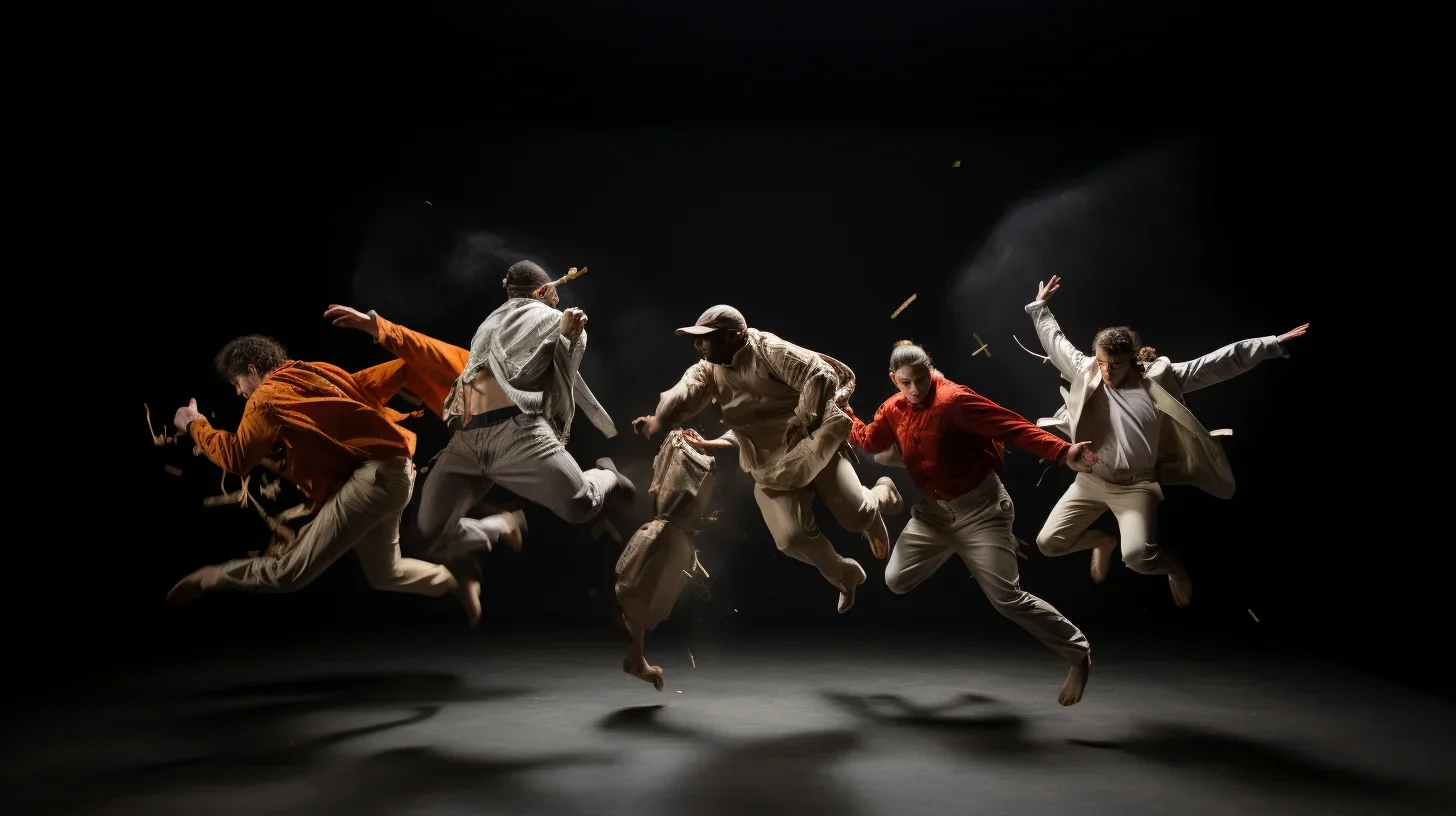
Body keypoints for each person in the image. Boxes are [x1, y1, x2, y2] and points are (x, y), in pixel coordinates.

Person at [1025, 274, 1310, 607]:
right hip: (1092, 480)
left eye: (1115, 365)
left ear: (1132, 359)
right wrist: (1040, 307)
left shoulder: (1159, 379)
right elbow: (1055, 342)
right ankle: (1101, 541)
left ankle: (1173, 565)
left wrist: (1272, 344)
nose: (1106, 371)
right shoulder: (1087, 370)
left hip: (1137, 487)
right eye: (1102, 362)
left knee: (1136, 557)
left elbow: (1217, 363)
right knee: (1048, 543)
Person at [841, 340, 1097, 705]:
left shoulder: (954, 400)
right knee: (896, 580)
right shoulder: (893, 408)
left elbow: (1012, 426)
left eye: (920, 379)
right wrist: (844, 412)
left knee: (1007, 599)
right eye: (905, 383)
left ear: (930, 370)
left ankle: (1078, 653)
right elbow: (868, 440)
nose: (915, 389)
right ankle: (975, 551)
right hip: (935, 516)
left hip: (982, 510)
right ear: (893, 379)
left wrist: (1061, 451)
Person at [166, 334, 483, 624]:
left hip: (375, 480)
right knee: (386, 572)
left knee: (288, 572)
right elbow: (366, 387)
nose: (239, 392)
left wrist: (195, 424)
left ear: (251, 369)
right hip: (394, 474)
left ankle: (210, 577)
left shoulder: (265, 397)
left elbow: (236, 458)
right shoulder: (315, 372)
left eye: (237, 382)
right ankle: (452, 579)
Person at [633, 305, 902, 614]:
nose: (698, 345)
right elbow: (686, 391)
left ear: (734, 336)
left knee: (857, 516)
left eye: (706, 338)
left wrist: (803, 418)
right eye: (697, 339)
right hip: (770, 466)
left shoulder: (769, 349)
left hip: (815, 446)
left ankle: (881, 495)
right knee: (790, 538)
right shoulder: (707, 368)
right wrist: (658, 420)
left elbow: (821, 374)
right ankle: (844, 574)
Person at [408, 260, 635, 564]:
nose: (557, 295)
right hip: (468, 440)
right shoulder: (491, 325)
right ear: (542, 290)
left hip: (519, 434)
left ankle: (607, 476)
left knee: (579, 506)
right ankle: (501, 527)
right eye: (552, 291)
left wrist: (567, 337)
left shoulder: (556, 320)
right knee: (431, 531)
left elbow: (557, 376)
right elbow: (471, 382)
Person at [322, 302, 526, 558]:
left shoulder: (458, 368)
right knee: (431, 534)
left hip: (500, 442)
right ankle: (498, 527)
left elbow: (419, 345)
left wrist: (372, 325)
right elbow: (370, 383)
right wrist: (336, 396)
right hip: (475, 446)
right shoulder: (415, 376)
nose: (419, 401)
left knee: (430, 535)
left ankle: (500, 526)